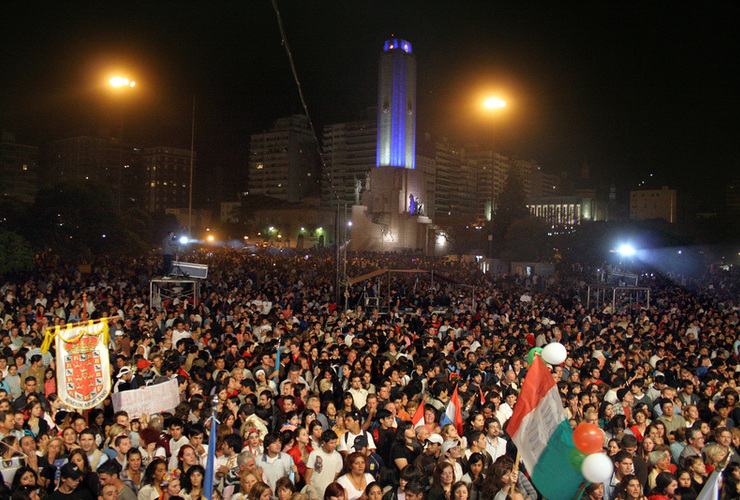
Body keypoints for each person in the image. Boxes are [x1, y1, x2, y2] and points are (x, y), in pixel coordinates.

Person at [306, 430, 344, 500]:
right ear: (324, 442)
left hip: (329, 495)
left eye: (335, 442)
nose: (334, 445)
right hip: (314, 494)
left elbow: (336, 477)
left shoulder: (338, 456)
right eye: (331, 443)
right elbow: (308, 476)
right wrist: (310, 492)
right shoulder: (314, 454)